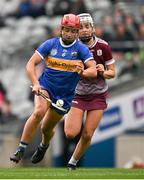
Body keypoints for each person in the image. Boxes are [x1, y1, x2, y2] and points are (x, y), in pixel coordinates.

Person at [10, 13, 97, 163]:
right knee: (38, 112)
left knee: (46, 128)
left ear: (77, 33)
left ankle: (44, 145)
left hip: (65, 96)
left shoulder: (81, 50)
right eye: (67, 30)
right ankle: (21, 149)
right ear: (61, 29)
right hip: (46, 86)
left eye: (73, 31)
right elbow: (30, 64)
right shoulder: (50, 44)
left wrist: (82, 71)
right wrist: (36, 83)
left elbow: (93, 71)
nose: (69, 34)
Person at [64, 13, 116, 170]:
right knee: (70, 133)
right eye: (81, 28)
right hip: (78, 93)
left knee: (87, 134)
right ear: (77, 31)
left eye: (88, 27)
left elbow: (112, 73)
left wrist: (102, 72)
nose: (85, 30)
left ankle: (72, 162)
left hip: (98, 95)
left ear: (93, 28)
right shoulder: (72, 47)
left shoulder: (103, 46)